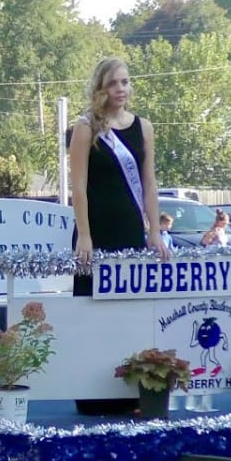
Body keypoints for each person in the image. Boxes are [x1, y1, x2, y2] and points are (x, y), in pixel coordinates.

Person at [69, 57, 167, 297]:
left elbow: (149, 184)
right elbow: (78, 186)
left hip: (130, 228)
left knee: (132, 305)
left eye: (125, 82)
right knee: (90, 304)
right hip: (96, 229)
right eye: (113, 83)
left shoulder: (143, 127)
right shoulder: (86, 127)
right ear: (101, 88)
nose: (120, 88)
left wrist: (154, 231)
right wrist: (84, 235)